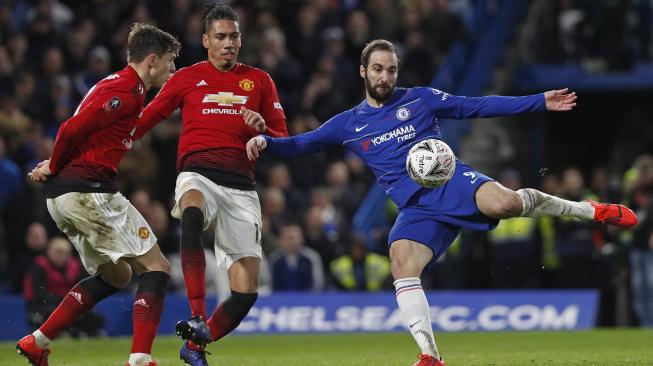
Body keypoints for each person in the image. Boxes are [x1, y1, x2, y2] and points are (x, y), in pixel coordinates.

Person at [246, 39, 638, 366]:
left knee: (507, 204)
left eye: (392, 69)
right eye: (378, 69)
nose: (386, 76)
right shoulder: (348, 124)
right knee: (401, 262)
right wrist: (268, 141)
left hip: (452, 182)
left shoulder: (421, 99)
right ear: (363, 72)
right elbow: (302, 144)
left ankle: (589, 211)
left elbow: (477, 106)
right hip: (416, 208)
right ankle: (430, 355)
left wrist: (537, 101)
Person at [16, 23, 180, 366]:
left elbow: (123, 128)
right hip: (87, 191)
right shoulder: (126, 89)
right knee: (157, 267)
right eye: (169, 62)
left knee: (116, 276)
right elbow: (70, 128)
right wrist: (54, 164)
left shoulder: (125, 87)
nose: (171, 69)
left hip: (68, 195)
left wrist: (57, 165)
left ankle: (38, 341)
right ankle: (140, 359)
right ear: (152, 60)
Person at [133, 4, 288, 365]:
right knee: (191, 208)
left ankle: (196, 344)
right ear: (205, 40)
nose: (228, 43)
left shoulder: (260, 81)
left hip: (241, 186)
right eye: (220, 36)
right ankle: (198, 312)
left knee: (245, 291)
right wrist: (103, 142)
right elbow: (146, 119)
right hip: (198, 171)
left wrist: (264, 129)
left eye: (234, 36)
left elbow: (282, 137)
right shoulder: (186, 78)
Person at [23, 237, 104, 337]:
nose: (62, 255)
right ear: (49, 251)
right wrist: (63, 301)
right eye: (58, 252)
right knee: (49, 315)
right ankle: (71, 334)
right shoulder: (39, 266)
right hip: (46, 306)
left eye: (66, 252)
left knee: (98, 318)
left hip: (71, 306)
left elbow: (85, 290)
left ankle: (73, 334)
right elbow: (38, 293)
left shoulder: (75, 266)